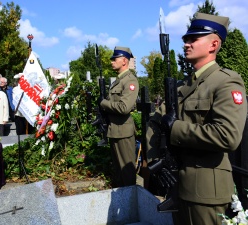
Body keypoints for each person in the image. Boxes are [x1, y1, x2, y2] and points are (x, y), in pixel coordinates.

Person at [146, 13, 247, 225]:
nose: (186, 44)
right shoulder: (183, 87)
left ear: (214, 44)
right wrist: (156, 158)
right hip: (177, 187)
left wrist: (176, 129)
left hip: (207, 194)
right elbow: (155, 122)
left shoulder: (226, 82)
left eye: (194, 39)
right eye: (186, 39)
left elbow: (227, 136)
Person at [99, 46, 139, 187]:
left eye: (114, 59)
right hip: (115, 130)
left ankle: (130, 203)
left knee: (126, 172)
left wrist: (103, 104)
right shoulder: (119, 81)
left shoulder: (130, 81)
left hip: (123, 132)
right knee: (118, 172)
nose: (111, 62)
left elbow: (124, 107)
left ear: (124, 61)